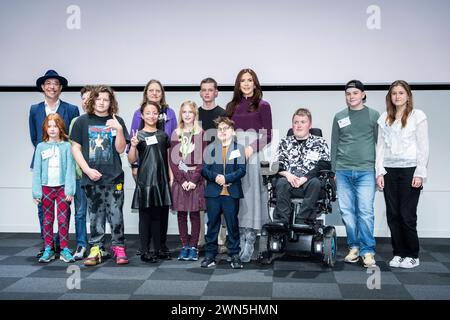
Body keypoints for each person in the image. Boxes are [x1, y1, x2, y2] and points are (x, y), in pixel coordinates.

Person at [70, 85, 130, 266]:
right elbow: (75, 148)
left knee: (116, 214)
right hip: (91, 177)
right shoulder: (82, 121)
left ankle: (118, 247)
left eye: (106, 99)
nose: (102, 102)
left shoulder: (116, 120)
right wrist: (87, 170)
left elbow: (120, 149)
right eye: (98, 99)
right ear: (92, 100)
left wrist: (119, 130)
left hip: (114, 177)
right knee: (95, 214)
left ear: (111, 102)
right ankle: (95, 248)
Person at [376, 80, 429, 269]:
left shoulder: (417, 116)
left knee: (407, 215)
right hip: (389, 171)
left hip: (410, 171)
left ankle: (412, 254)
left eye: (401, 93)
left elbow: (423, 147)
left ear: (408, 95)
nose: (397, 96)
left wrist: (420, 173)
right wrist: (379, 172)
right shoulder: (384, 118)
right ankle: (398, 253)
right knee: (393, 214)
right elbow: (380, 148)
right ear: (390, 97)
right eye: (394, 93)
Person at [29, 69, 79, 258]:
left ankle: (63, 245)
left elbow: (73, 138)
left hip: (63, 175)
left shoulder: (71, 109)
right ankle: (48, 244)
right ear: (43, 87)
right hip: (44, 174)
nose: (52, 87)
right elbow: (34, 137)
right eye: (48, 83)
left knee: (64, 214)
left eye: (55, 83)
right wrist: (48, 152)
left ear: (60, 87)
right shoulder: (35, 109)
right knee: (45, 213)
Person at [331, 80, 379, 268]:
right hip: (343, 171)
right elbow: (335, 143)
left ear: (363, 94)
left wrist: (379, 170)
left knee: (365, 212)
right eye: (348, 93)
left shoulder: (374, 115)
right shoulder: (339, 116)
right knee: (347, 212)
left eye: (355, 93)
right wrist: (334, 170)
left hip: (366, 171)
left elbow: (380, 145)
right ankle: (354, 247)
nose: (351, 96)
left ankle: (368, 251)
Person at [225, 68, 272, 263]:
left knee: (252, 195)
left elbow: (268, 134)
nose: (246, 83)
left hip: (253, 154)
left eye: (249, 80)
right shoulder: (231, 106)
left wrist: (251, 149)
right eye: (242, 80)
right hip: (234, 154)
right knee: (237, 196)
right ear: (238, 84)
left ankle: (251, 239)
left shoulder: (263, 105)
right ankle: (239, 237)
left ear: (255, 83)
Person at [129, 79, 177, 259]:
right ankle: (145, 250)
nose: (151, 115)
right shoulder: (139, 135)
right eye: (147, 113)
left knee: (159, 216)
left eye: (154, 113)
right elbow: (132, 158)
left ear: (159, 115)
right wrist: (133, 147)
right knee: (145, 216)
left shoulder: (163, 134)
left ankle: (158, 249)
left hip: (161, 179)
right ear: (142, 115)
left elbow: (167, 156)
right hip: (145, 180)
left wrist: (171, 176)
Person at [201, 117, 246, 269]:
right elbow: (204, 170)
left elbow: (242, 170)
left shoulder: (239, 149)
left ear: (233, 132)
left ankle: (234, 255)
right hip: (214, 193)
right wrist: (217, 178)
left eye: (226, 128)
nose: (223, 131)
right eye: (220, 129)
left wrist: (227, 178)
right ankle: (210, 255)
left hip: (231, 193)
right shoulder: (210, 148)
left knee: (232, 225)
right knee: (212, 224)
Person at [273, 108, 331, 224]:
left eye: (302, 122)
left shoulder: (320, 142)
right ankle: (284, 220)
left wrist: (306, 177)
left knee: (315, 182)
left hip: (310, 182)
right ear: (292, 124)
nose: (298, 125)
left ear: (310, 125)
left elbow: (324, 164)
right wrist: (288, 175)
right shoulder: (285, 142)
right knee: (281, 182)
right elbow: (277, 163)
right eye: (296, 122)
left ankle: (302, 219)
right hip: (289, 180)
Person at [32, 114, 76, 263]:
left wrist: (70, 190)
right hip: (46, 189)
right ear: (45, 128)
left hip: (62, 188)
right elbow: (37, 170)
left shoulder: (66, 146)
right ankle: (48, 249)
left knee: (63, 219)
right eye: (49, 126)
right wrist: (36, 192)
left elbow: (70, 169)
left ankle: (64, 248)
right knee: (47, 220)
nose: (52, 129)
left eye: (55, 126)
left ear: (60, 128)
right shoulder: (40, 147)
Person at [169, 100, 206, 261]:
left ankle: (194, 246)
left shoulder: (201, 133)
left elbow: (203, 159)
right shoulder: (176, 133)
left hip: (195, 179)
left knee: (195, 215)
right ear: (181, 114)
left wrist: (195, 180)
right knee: (182, 214)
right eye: (184, 112)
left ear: (195, 114)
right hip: (181, 180)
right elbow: (173, 160)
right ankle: (184, 245)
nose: (187, 115)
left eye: (190, 112)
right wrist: (182, 180)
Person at [197, 77, 227, 252]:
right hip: (199, 167)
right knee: (200, 204)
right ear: (200, 93)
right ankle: (201, 240)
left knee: (220, 203)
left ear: (216, 92)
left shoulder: (223, 114)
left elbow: (228, 140)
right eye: (204, 90)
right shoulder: (195, 114)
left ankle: (221, 240)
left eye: (210, 90)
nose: (207, 93)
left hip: (217, 165)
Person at [68, 85, 95, 260]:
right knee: (80, 212)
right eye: (83, 98)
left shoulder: (102, 121)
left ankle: (96, 246)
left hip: (98, 176)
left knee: (96, 212)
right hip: (80, 175)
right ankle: (81, 245)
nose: (86, 102)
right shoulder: (75, 121)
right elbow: (73, 149)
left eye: (90, 98)